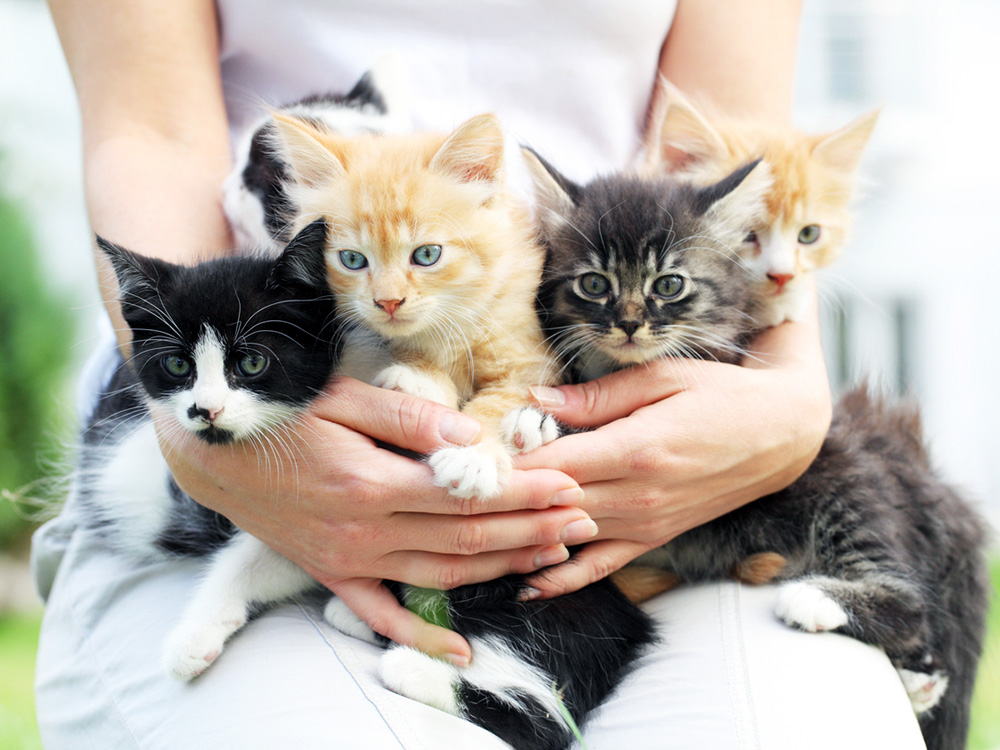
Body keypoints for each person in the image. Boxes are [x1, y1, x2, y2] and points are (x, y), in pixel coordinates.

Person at [33, 0, 926, 747]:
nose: (392, 294)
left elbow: (748, 192)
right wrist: (211, 436)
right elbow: (147, 133)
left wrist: (786, 408)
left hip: (645, 475)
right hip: (264, 402)